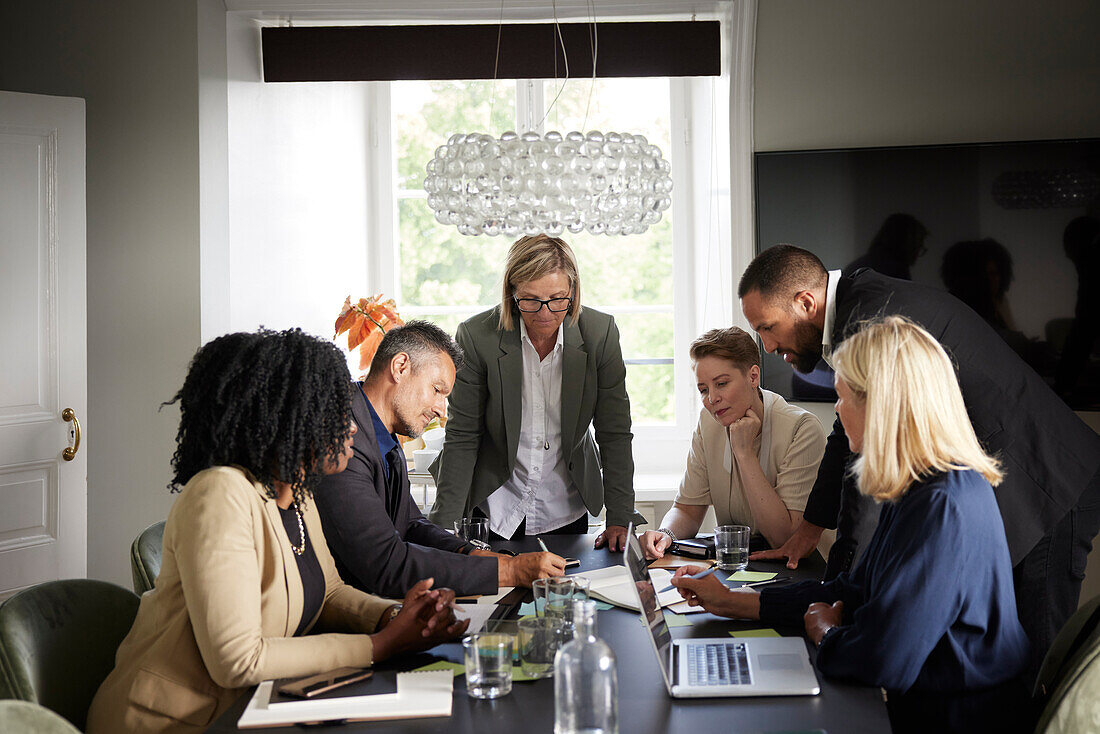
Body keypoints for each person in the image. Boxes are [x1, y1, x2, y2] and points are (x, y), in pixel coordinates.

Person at [737, 244, 1100, 682]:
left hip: (1046, 477)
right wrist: (812, 535)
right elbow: (846, 435)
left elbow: (856, 479)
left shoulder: (873, 318)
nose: (768, 345)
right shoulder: (858, 306)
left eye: (767, 328)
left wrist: (837, 604)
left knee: (1037, 671)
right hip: (1010, 474)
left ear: (805, 303)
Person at [87, 329, 468, 734]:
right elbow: (238, 660)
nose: (352, 427)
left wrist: (397, 616)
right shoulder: (220, 494)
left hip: (254, 710)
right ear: (287, 417)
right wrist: (380, 645)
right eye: (335, 410)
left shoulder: (298, 494)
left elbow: (331, 593)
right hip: (172, 721)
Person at [672, 317, 1032, 734]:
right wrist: (735, 601)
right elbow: (853, 592)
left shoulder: (943, 504)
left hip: (958, 719)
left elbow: (885, 658)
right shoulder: (920, 487)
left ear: (884, 404)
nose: (838, 413)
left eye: (843, 399)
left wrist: (825, 634)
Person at [314, 321, 565, 598]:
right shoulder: (341, 439)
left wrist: (472, 553)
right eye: (437, 390)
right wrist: (509, 572)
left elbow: (410, 524)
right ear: (400, 367)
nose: (442, 411)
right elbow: (385, 564)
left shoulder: (381, 432)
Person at [428, 234, 643, 551]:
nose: (545, 313)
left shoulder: (600, 334)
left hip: (565, 506)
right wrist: (442, 531)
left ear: (573, 291)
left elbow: (614, 432)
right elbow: (463, 435)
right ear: (511, 293)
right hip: (495, 505)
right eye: (530, 300)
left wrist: (620, 518)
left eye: (558, 299)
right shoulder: (476, 336)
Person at [638, 327, 825, 558]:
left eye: (722, 383)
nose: (712, 398)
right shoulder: (708, 422)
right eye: (703, 389)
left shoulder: (802, 428)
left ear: (753, 376)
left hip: (801, 572)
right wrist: (666, 534)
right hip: (739, 567)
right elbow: (687, 509)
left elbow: (784, 539)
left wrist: (744, 453)